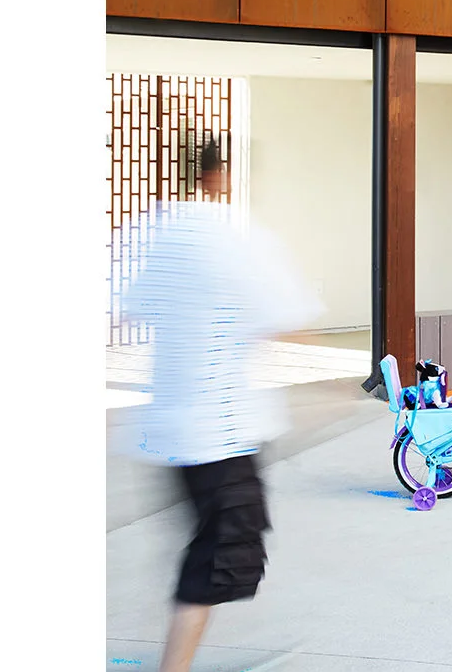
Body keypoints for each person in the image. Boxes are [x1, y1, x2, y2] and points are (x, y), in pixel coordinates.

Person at [121, 139, 318, 672]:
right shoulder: (238, 240)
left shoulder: (159, 234)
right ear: (225, 175)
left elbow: (130, 308)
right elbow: (289, 318)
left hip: (169, 430)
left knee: (209, 550)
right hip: (220, 433)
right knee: (218, 559)